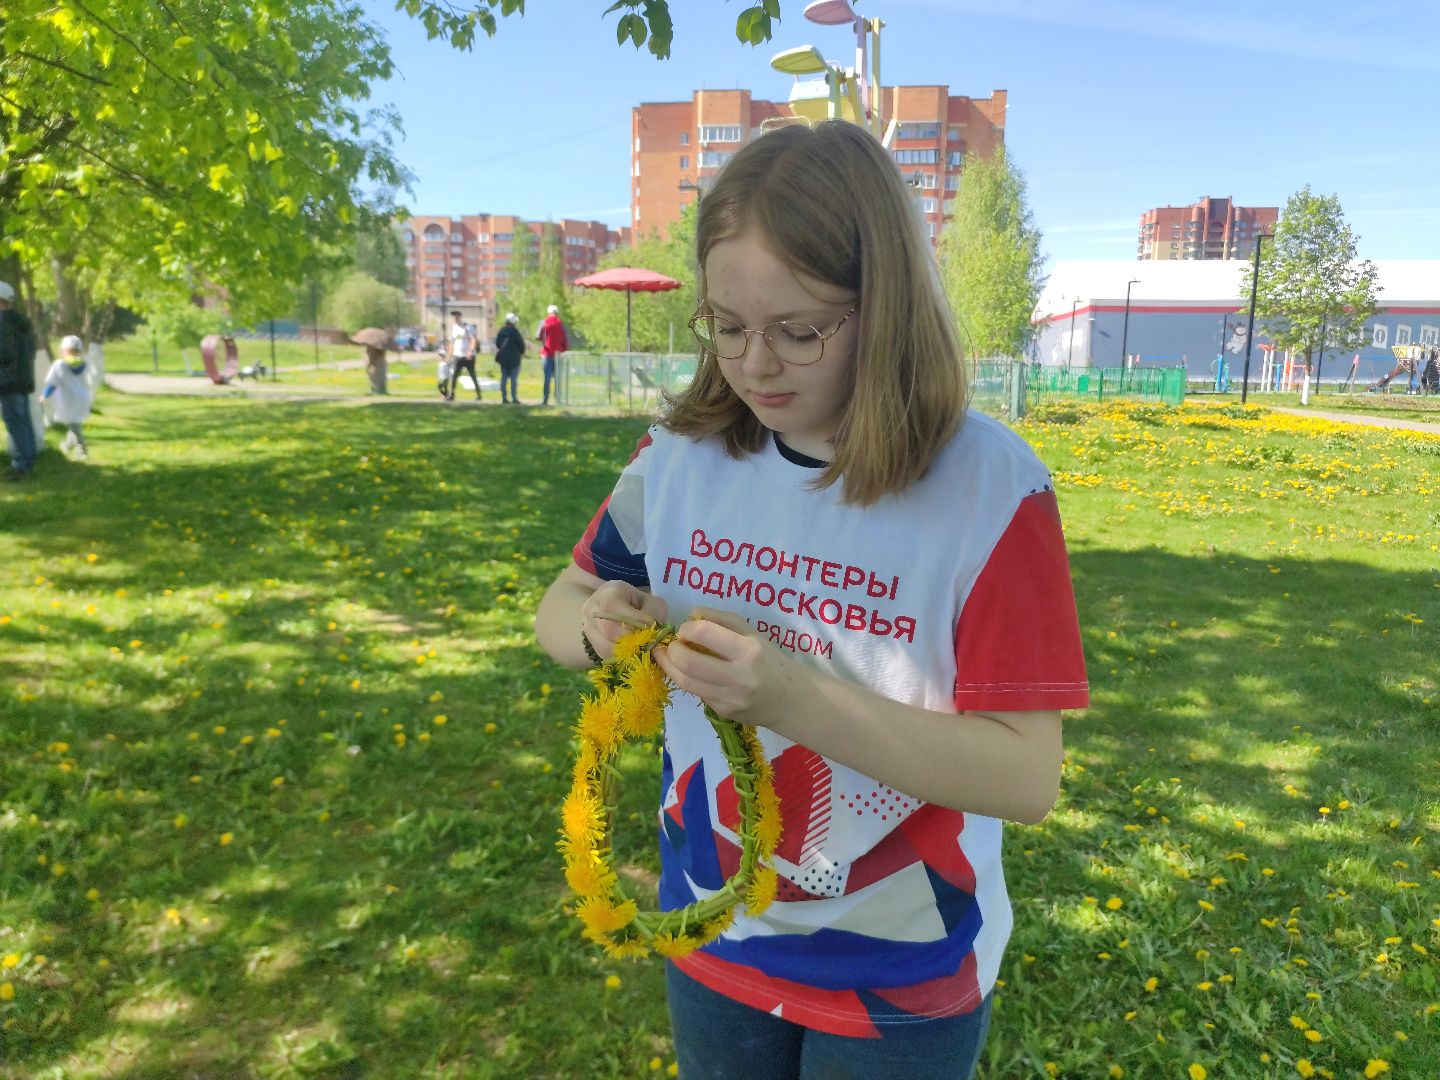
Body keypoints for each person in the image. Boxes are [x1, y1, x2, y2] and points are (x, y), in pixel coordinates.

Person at [534, 121, 1088, 1079]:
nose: (754, 366)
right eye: (727, 326)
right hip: (714, 931)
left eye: (799, 331)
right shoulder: (681, 459)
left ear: (886, 309)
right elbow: (569, 596)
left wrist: (792, 699)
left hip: (900, 964)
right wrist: (592, 629)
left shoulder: (992, 492)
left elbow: (1026, 777)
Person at [0, 280, 38, 482]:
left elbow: (4, 352)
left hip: (8, 380)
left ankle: (22, 464)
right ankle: (29, 459)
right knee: (24, 422)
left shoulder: (3, 322)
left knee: (15, 422)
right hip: (22, 378)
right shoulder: (20, 322)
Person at [42, 334, 93, 460]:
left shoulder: (60, 364)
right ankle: (66, 445)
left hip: (68, 399)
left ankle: (82, 449)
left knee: (74, 425)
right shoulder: (85, 363)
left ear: (62, 351)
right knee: (75, 424)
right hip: (82, 398)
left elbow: (53, 382)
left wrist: (45, 395)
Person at [536, 303, 568, 406]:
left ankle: (545, 400)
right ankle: (558, 399)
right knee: (558, 378)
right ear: (557, 313)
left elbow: (538, 336)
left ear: (548, 312)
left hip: (546, 353)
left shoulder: (544, 322)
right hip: (558, 354)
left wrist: (544, 341)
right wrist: (564, 349)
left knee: (547, 378)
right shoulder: (561, 323)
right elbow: (565, 339)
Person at [447, 310, 481, 401]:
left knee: (472, 375)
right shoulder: (454, 328)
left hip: (468, 356)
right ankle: (452, 394)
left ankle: (478, 394)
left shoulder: (467, 327)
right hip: (458, 355)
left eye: (456, 316)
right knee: (454, 375)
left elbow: (473, 340)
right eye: (453, 317)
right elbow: (452, 342)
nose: (455, 318)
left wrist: (470, 351)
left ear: (460, 317)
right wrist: (449, 355)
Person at [495, 312, 526, 405]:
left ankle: (504, 398)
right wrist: (521, 352)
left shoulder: (501, 331)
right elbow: (521, 345)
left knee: (504, 378)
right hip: (515, 358)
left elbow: (497, 344)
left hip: (503, 358)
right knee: (513, 379)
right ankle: (514, 398)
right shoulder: (515, 332)